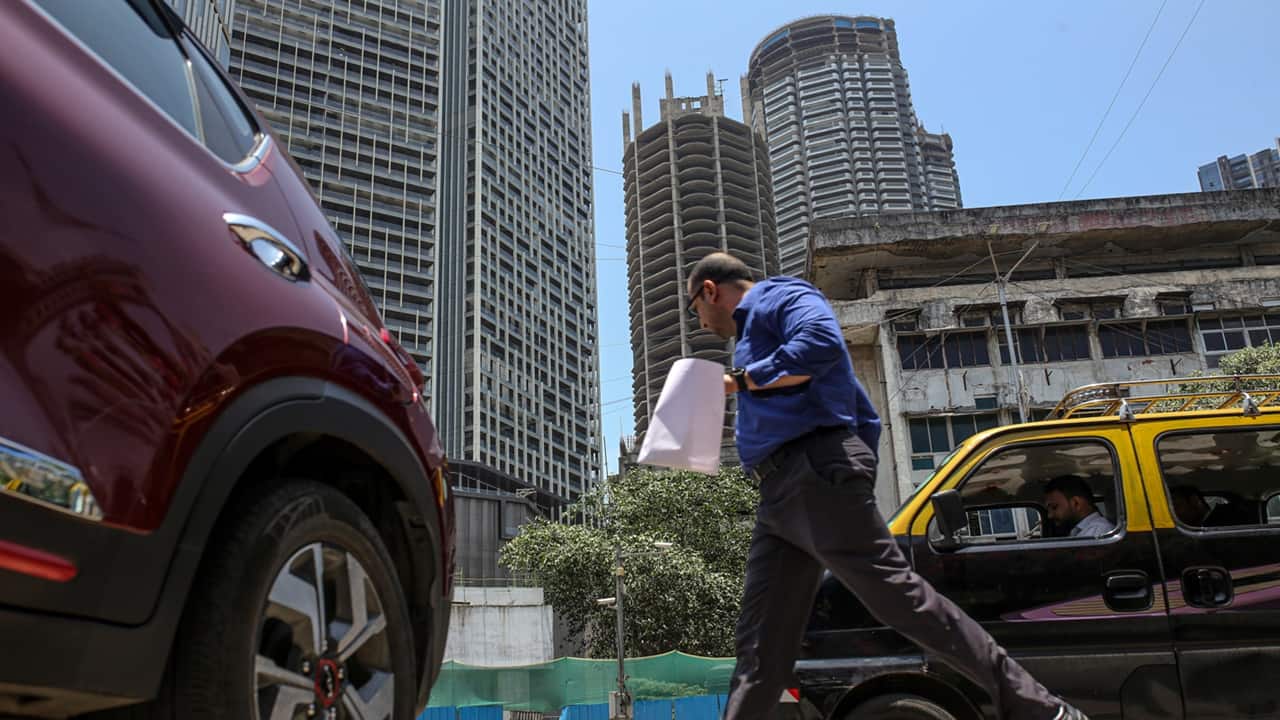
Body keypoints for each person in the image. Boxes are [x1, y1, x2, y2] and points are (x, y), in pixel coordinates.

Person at [683, 252, 1086, 720]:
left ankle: (1041, 710)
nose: (701, 322)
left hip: (813, 474)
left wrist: (741, 382)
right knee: (760, 645)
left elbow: (819, 345)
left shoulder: (781, 296)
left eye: (696, 310)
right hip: (780, 497)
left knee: (900, 600)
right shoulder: (750, 338)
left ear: (710, 290)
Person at [1042, 476, 1115, 538]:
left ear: (1076, 503)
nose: (1049, 515)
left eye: (1054, 507)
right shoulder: (1081, 531)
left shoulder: (1098, 530)